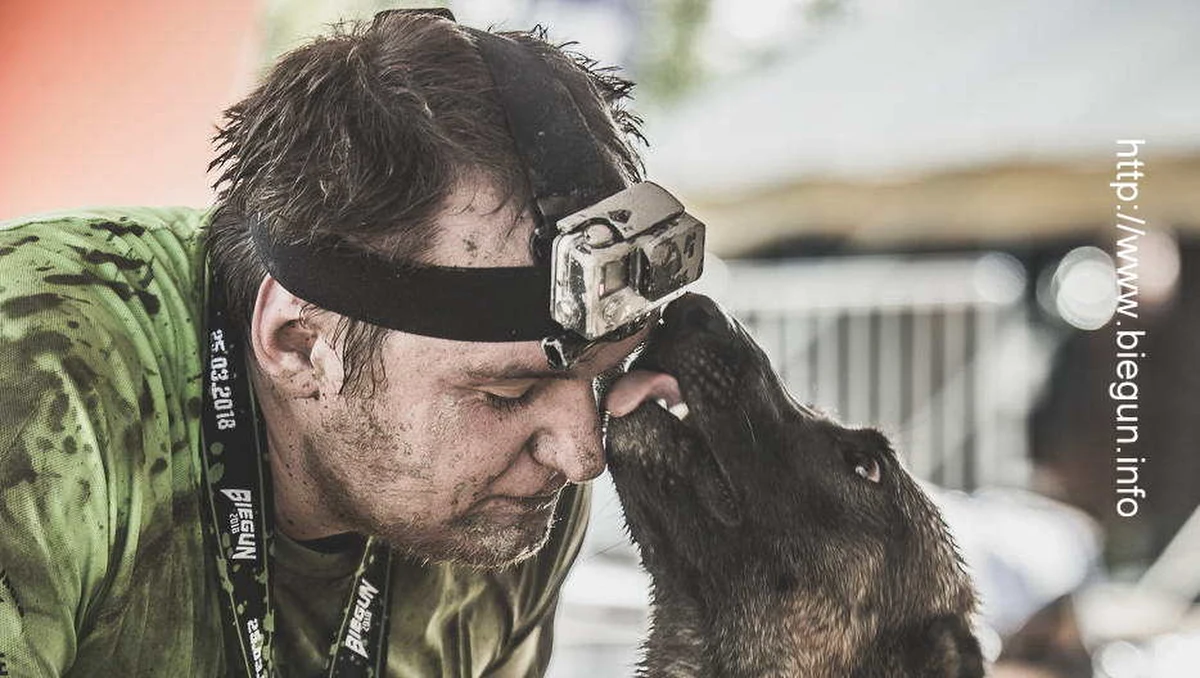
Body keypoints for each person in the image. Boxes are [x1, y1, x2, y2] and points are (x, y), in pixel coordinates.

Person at [0, 10, 695, 676]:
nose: (582, 455)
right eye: (509, 392)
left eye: (605, 374)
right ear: (302, 343)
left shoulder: (512, 497)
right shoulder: (37, 387)